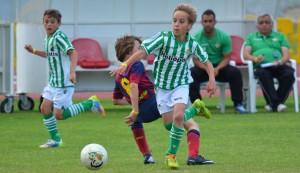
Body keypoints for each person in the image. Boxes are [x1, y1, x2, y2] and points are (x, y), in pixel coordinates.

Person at [110, 4, 216, 169]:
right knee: (169, 125)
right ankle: (196, 109)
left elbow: (207, 63)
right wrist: (125, 65)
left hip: (180, 84)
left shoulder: (192, 44)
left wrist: (211, 79)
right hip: (161, 88)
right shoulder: (163, 38)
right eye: (174, 20)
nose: (176, 24)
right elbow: (142, 52)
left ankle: (170, 155)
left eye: (181, 21)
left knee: (179, 117)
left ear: (189, 26)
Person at [24, 9, 105, 148]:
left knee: (59, 115)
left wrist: (73, 72)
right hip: (53, 82)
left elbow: (73, 53)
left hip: (64, 83)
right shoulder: (48, 38)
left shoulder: (59, 37)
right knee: (44, 108)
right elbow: (49, 54)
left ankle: (90, 103)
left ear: (59, 24)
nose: (49, 24)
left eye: (52, 22)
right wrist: (33, 51)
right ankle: (56, 141)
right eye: (46, 21)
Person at [189, 9, 248, 114]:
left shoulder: (224, 37)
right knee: (191, 74)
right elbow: (196, 60)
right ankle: (198, 107)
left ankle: (238, 105)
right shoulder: (195, 38)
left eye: (210, 21)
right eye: (205, 21)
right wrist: (208, 69)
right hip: (203, 67)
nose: (208, 24)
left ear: (215, 22)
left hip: (219, 67)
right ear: (202, 22)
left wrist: (216, 69)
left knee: (235, 72)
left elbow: (227, 58)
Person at [243, 13, 295, 112]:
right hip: (261, 66)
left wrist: (280, 62)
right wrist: (255, 59)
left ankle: (273, 104)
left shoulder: (280, 36)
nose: (264, 25)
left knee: (289, 73)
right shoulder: (251, 37)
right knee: (263, 74)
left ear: (272, 24)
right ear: (257, 25)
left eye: (267, 22)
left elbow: (286, 55)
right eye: (261, 22)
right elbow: (246, 54)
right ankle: (277, 104)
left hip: (278, 65)